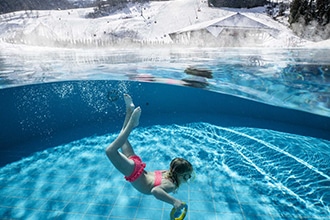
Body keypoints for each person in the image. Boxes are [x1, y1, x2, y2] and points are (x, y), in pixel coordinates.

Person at [105, 94, 193, 210]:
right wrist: (174, 201)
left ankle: (129, 110)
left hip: (137, 164)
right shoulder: (171, 185)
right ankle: (132, 124)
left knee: (122, 138)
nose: (188, 178)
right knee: (110, 151)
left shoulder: (166, 172)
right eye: (188, 176)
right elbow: (155, 191)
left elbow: (153, 180)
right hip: (133, 172)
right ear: (181, 175)